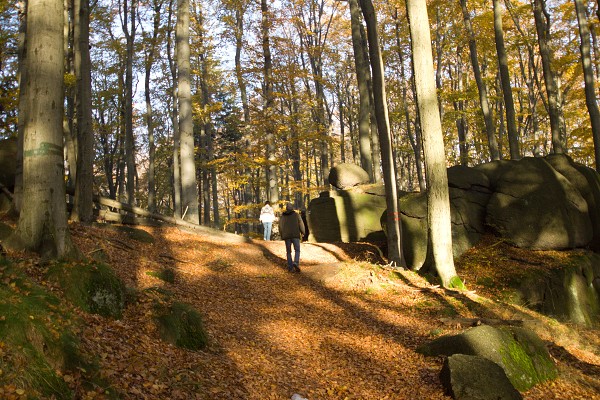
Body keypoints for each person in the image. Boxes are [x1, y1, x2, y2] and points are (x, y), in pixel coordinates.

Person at [279, 202, 306, 273]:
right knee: (297, 250)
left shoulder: (283, 216)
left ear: (286, 208)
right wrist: (303, 232)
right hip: (295, 235)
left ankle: (290, 267)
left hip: (287, 236)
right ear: (292, 208)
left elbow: (280, 226)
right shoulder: (296, 215)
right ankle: (296, 262)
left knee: (288, 252)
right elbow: (301, 223)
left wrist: (282, 235)